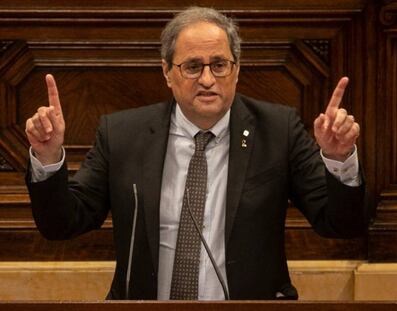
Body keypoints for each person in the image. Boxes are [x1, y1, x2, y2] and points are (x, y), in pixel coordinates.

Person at [25, 6, 368, 300]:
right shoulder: (122, 135)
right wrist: (48, 157)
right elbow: (62, 224)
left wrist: (339, 161)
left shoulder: (278, 130)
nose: (207, 79)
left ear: (236, 69)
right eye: (192, 66)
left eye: (219, 64)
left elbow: (341, 225)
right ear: (167, 72)